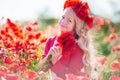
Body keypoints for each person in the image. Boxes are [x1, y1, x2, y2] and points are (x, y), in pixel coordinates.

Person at [38, 0, 97, 79]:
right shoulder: (51, 41)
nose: (63, 22)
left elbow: (71, 76)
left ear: (76, 27)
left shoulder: (78, 47)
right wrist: (49, 58)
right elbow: (41, 69)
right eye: (63, 17)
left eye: (69, 21)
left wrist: (55, 61)